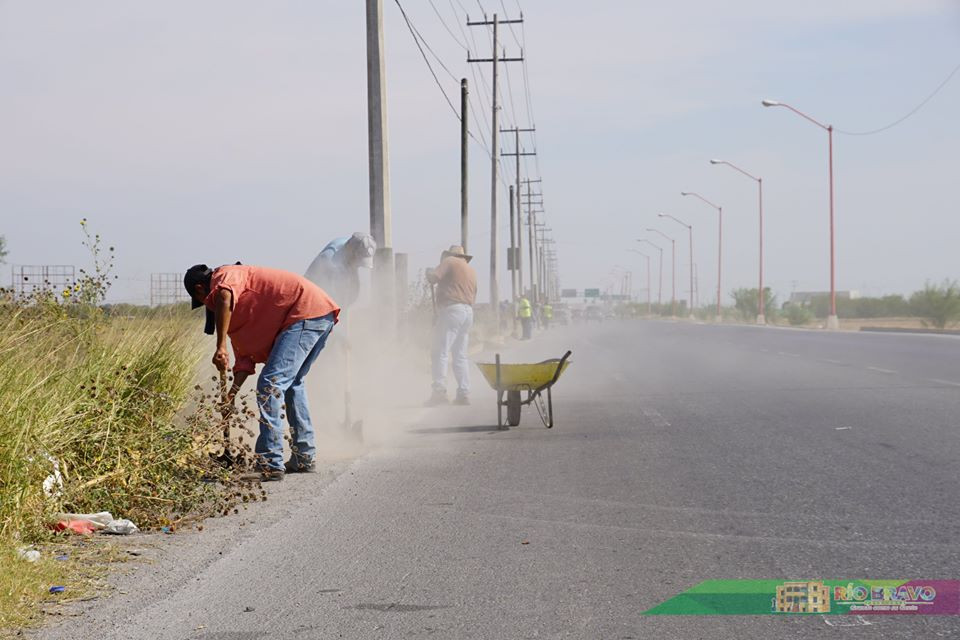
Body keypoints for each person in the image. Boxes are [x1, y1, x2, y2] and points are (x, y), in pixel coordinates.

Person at [184, 263, 340, 481]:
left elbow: (223, 298)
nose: (209, 307)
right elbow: (244, 362)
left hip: (304, 311)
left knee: (270, 384)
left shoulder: (226, 276)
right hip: (317, 313)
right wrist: (231, 396)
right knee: (293, 384)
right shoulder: (239, 317)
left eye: (204, 301)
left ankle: (269, 462)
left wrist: (220, 347)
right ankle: (303, 457)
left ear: (200, 289)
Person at [425, 245, 477, 406]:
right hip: (468, 312)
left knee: (440, 352)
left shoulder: (450, 261)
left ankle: (439, 392)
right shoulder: (471, 270)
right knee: (460, 355)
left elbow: (434, 277)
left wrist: (429, 272)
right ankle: (463, 393)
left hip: (452, 309)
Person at [304, 232, 377, 308]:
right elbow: (333, 297)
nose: (358, 264)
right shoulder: (332, 261)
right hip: (310, 296)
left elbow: (352, 289)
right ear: (352, 252)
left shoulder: (350, 244)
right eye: (358, 260)